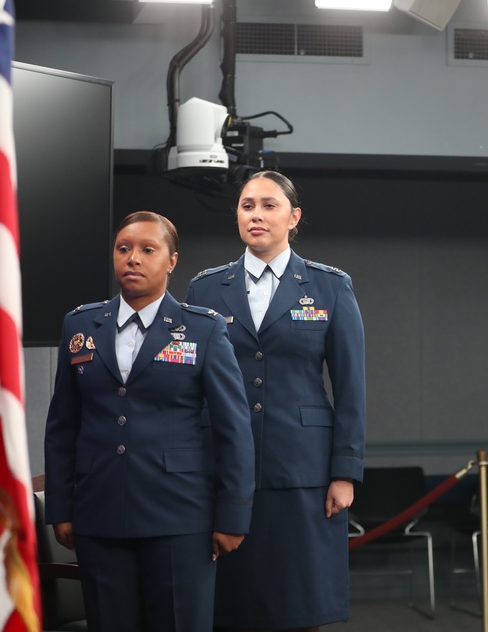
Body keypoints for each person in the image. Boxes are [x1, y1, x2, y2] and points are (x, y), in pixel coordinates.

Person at [44, 211, 255, 632]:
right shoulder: (80, 325)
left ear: (172, 261)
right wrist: (61, 507)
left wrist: (233, 516)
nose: (133, 259)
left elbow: (234, 430)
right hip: (99, 513)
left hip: (179, 516)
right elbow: (63, 425)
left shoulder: (204, 330)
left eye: (147, 249)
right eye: (123, 249)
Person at [185, 170, 366, 632]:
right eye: (247, 206)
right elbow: (189, 387)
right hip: (222, 465)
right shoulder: (205, 289)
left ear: (293, 217)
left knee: (297, 604)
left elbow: (350, 387)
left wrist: (345, 472)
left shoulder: (330, 287)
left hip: (301, 467)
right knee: (229, 605)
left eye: (269, 205)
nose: (257, 215)